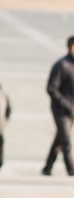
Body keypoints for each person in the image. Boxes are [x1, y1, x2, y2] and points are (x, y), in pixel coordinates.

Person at [43, 36, 74, 176]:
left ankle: (47, 167)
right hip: (61, 111)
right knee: (66, 140)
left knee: (60, 139)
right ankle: (71, 170)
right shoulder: (61, 65)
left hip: (72, 110)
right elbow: (51, 88)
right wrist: (65, 104)